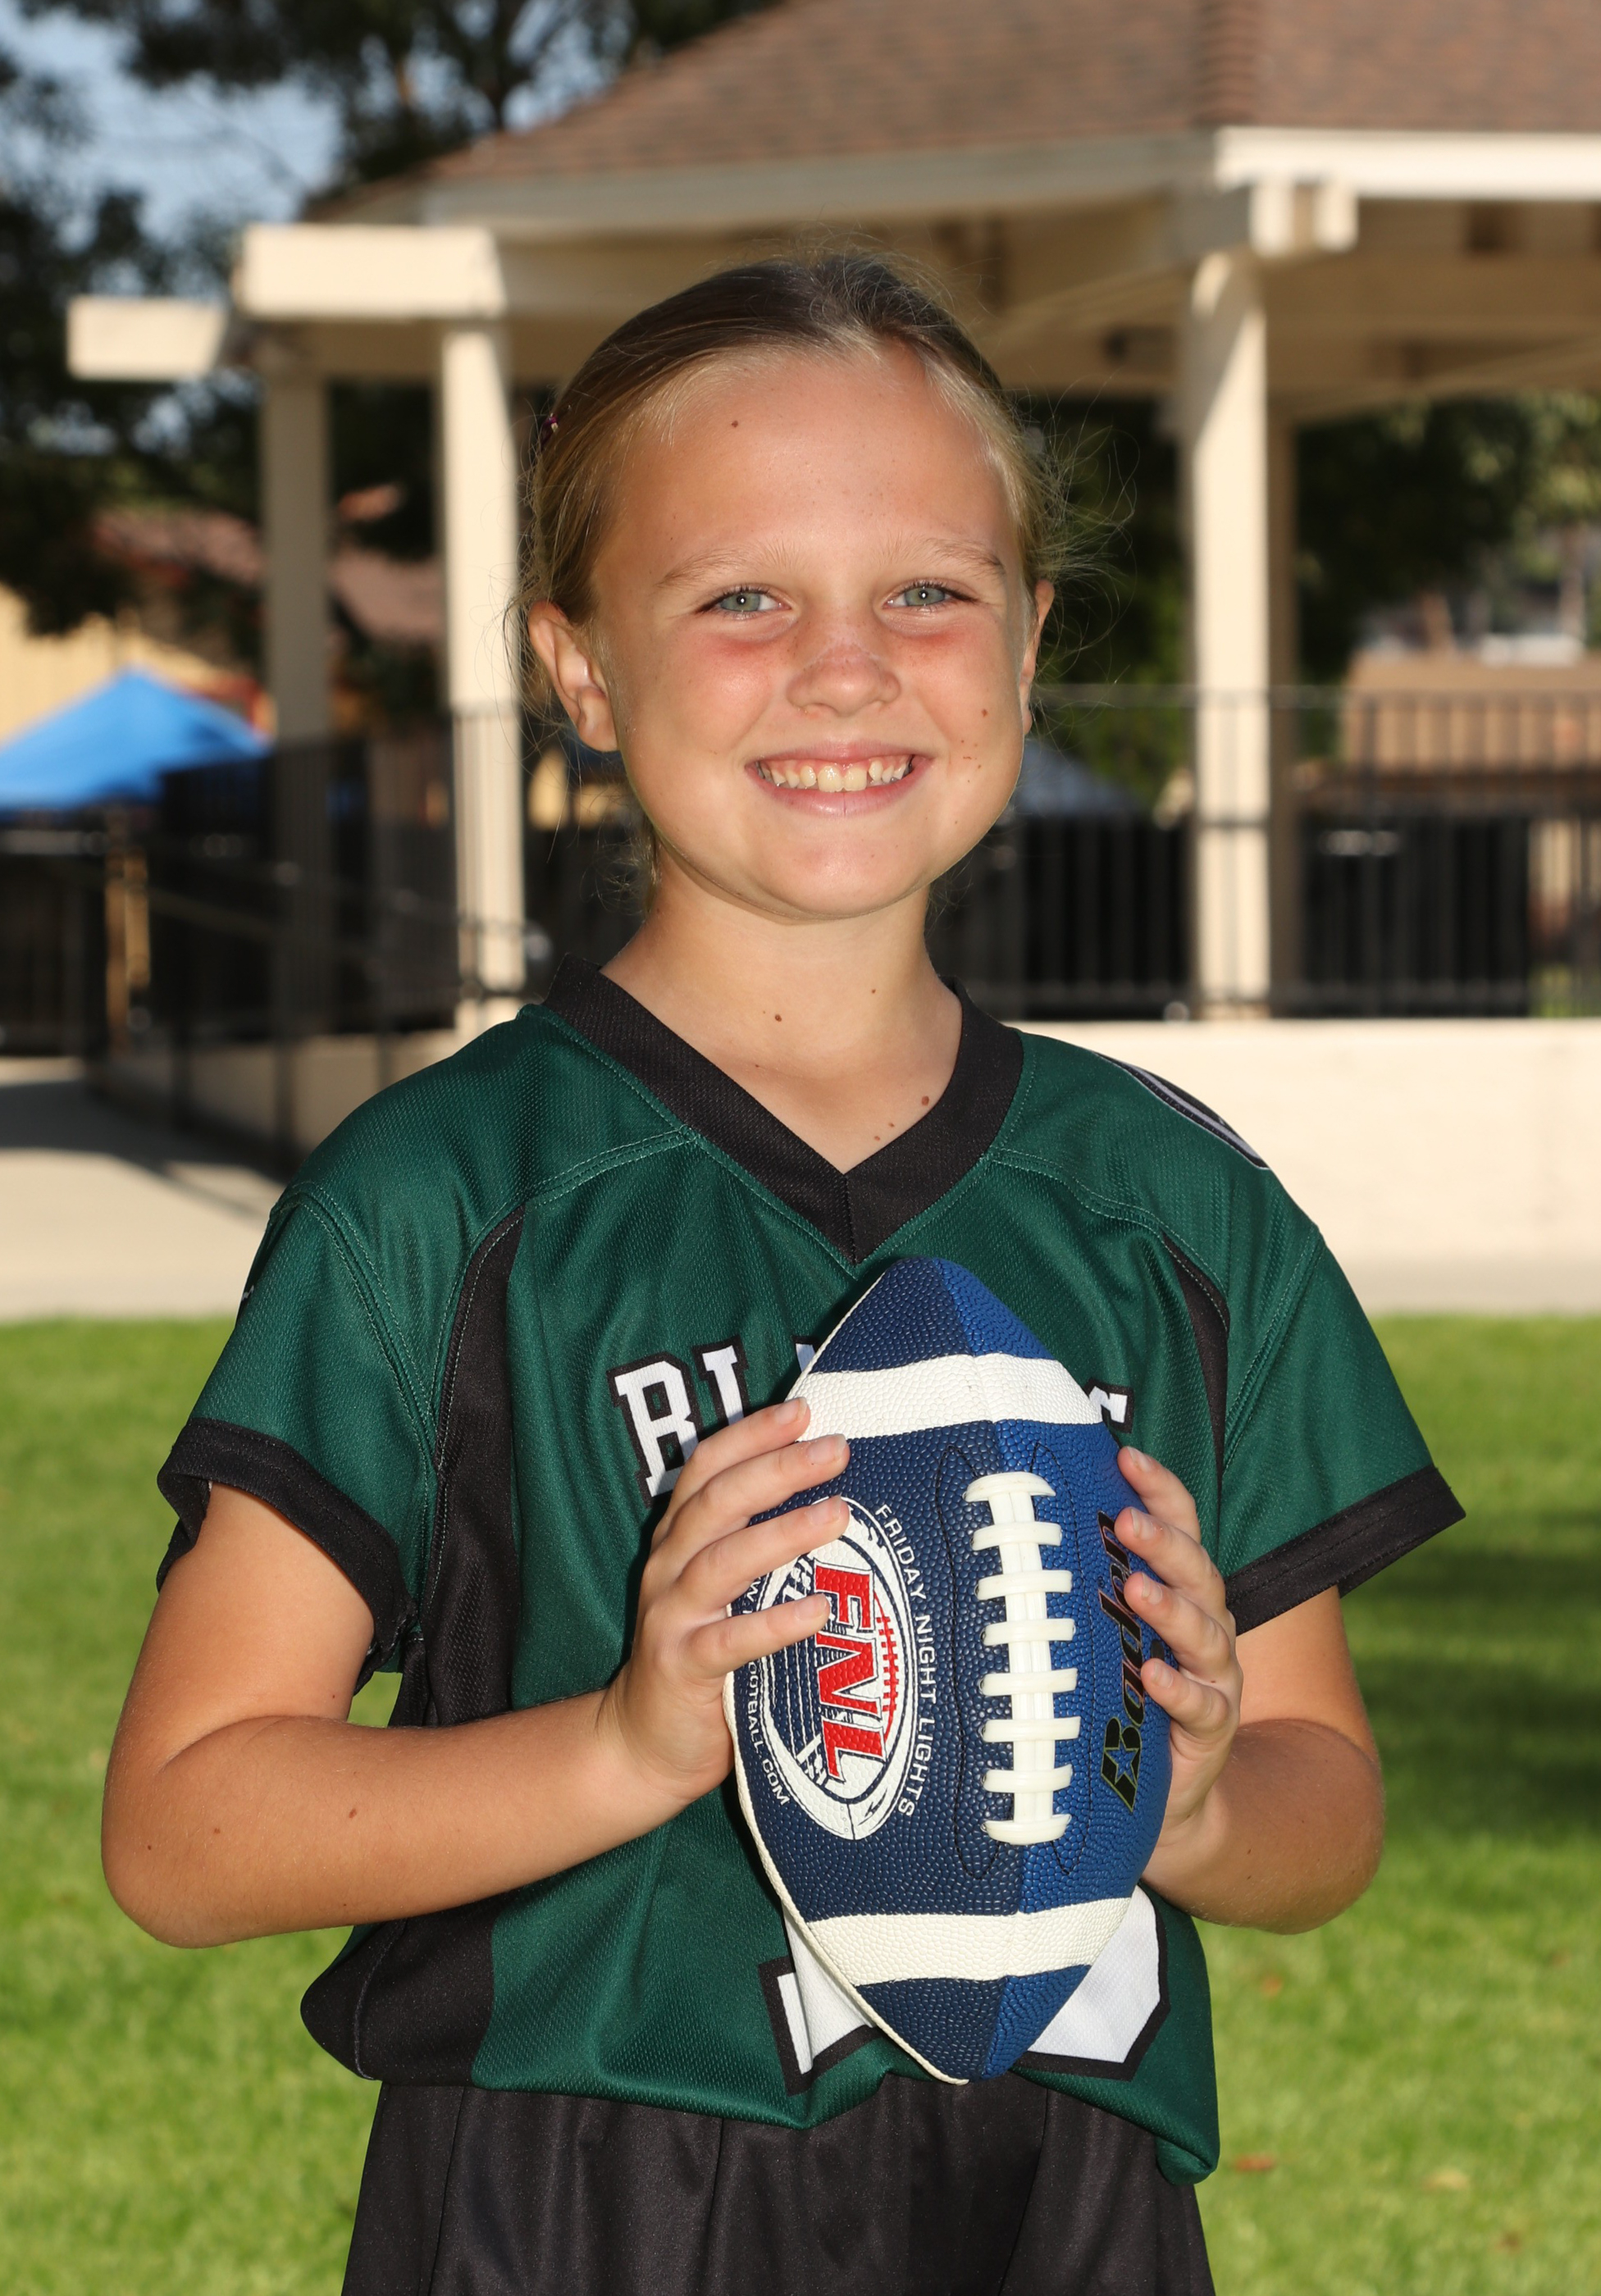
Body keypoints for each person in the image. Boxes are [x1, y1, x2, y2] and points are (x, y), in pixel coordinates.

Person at [103, 255, 1462, 2296]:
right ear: (579, 668)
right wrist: (624, 1743)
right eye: (742, 597)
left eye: (925, 590)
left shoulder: (1174, 1207)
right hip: (582, 2199)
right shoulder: (444, 1196)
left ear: (1029, 646)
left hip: (1065, 2197)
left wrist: (1188, 1804)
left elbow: (1322, 1795)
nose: (845, 668)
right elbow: (185, 1826)